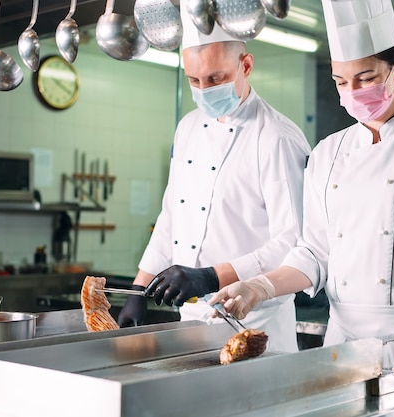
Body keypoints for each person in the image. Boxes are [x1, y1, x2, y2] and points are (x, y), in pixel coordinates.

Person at [208, 0, 394, 385]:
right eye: (340, 82)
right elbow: (315, 252)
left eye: (365, 78)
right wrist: (259, 286)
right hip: (344, 347)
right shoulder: (327, 153)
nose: (352, 92)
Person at [117, 0, 311, 354]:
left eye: (216, 78)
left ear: (246, 65)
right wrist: (138, 290)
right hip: (191, 322)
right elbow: (172, 216)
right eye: (194, 80)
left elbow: (293, 242)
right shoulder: (188, 127)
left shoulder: (276, 137)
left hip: (255, 324)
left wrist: (211, 276)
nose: (204, 90)